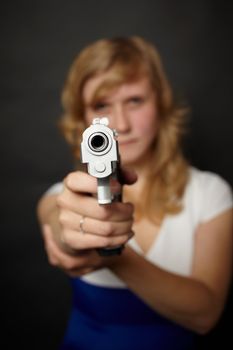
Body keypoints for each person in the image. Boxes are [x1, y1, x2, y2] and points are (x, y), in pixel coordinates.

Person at [37, 36, 233, 350]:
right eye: (102, 105)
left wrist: (115, 257)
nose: (121, 124)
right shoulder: (63, 196)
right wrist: (74, 238)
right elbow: (61, 226)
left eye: (135, 101)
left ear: (161, 104)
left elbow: (205, 315)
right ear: (83, 119)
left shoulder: (210, 194)